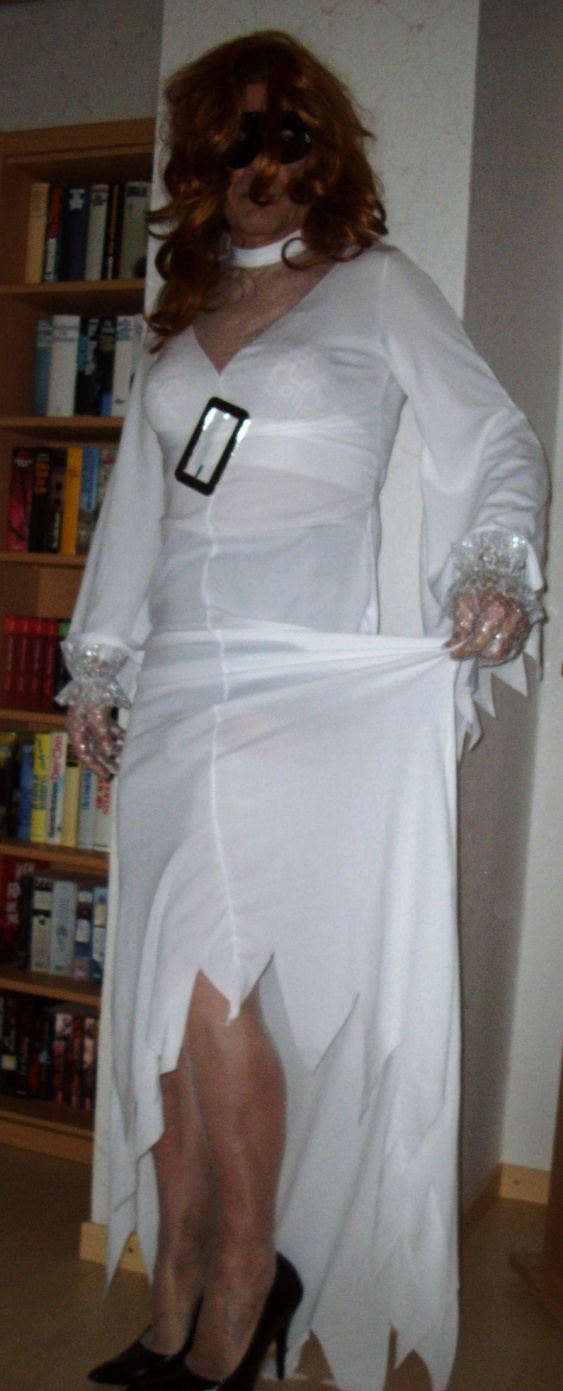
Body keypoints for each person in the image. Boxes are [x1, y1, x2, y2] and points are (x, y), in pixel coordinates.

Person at [61, 29, 547, 1391]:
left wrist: (494, 564)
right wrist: (99, 663)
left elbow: (497, 437)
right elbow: (139, 510)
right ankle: (178, 1278)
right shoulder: (181, 323)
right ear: (204, 165)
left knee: (212, 993)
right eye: (234, 141)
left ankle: (241, 1281)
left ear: (319, 153)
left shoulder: (376, 289)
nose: (258, 165)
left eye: (283, 138)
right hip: (175, 691)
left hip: (295, 683)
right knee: (167, 1007)